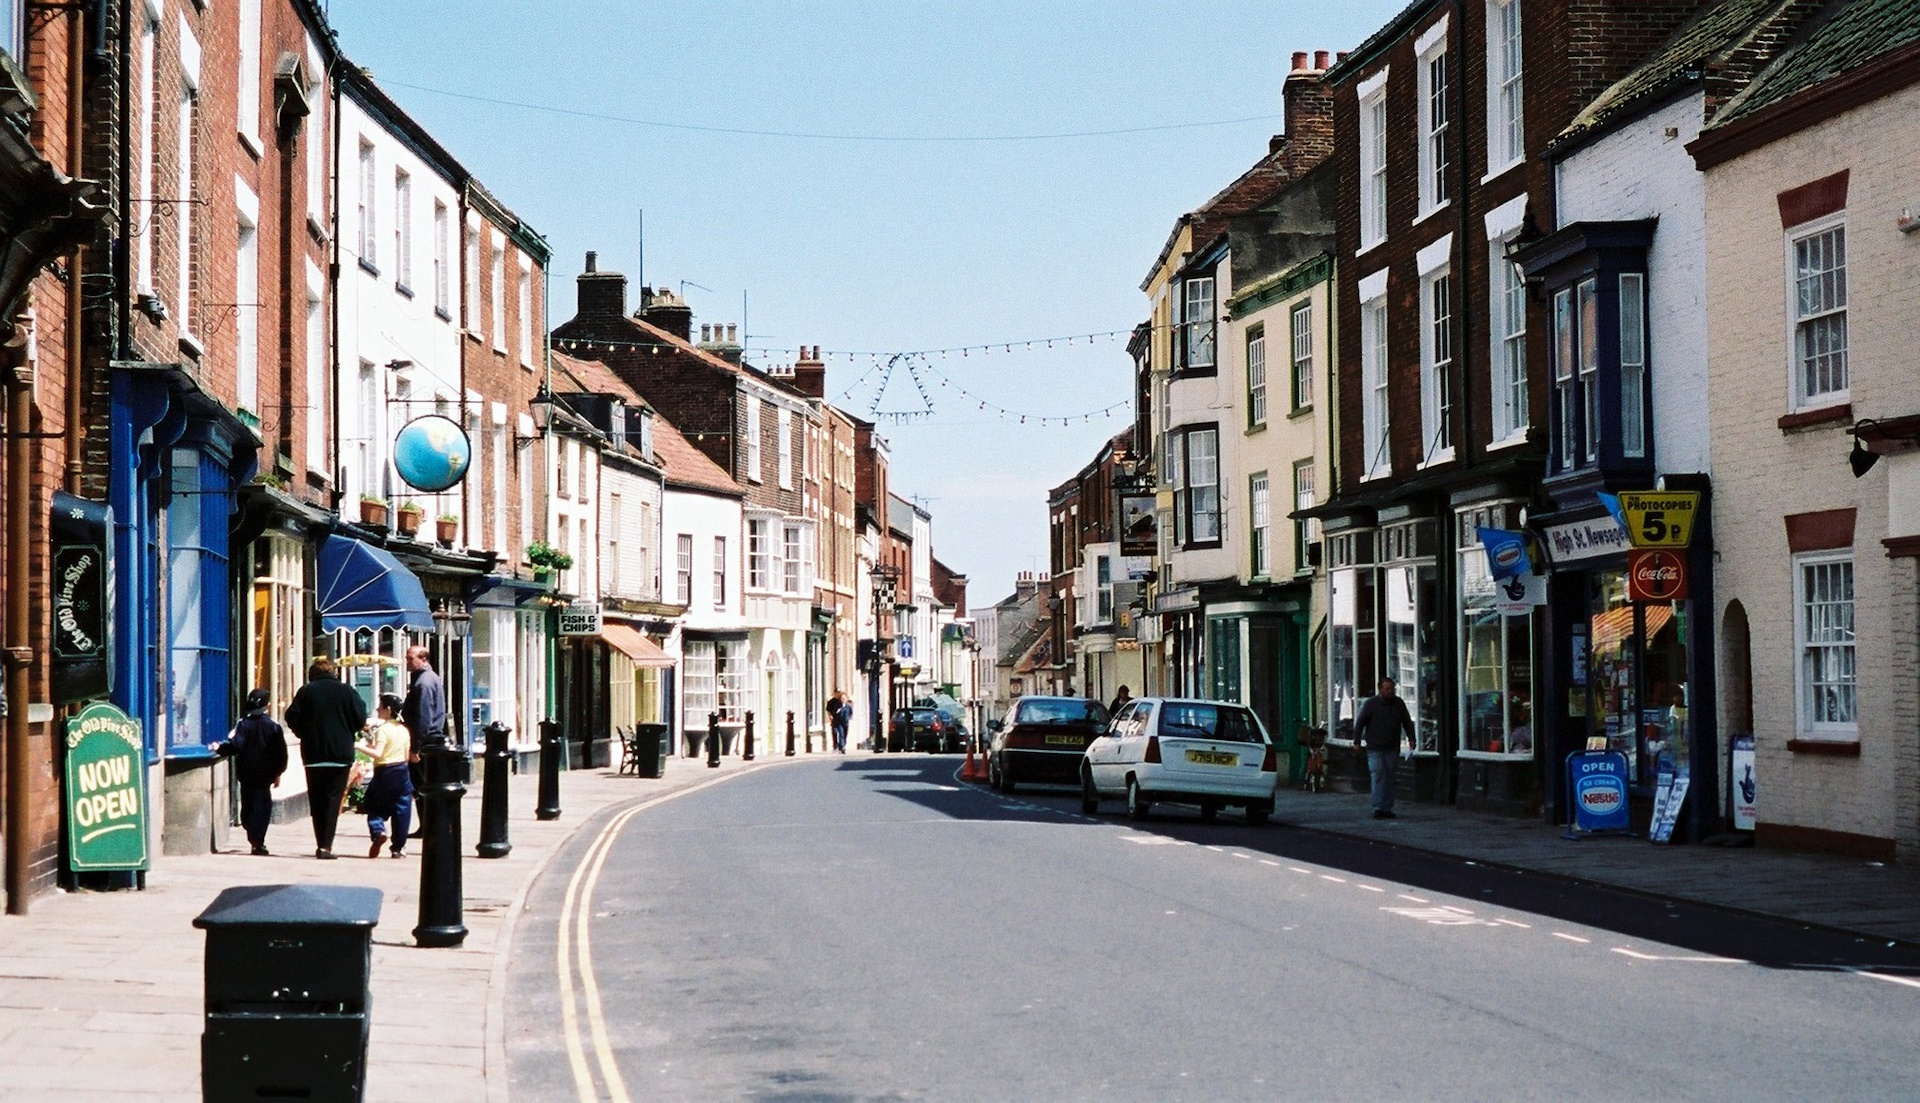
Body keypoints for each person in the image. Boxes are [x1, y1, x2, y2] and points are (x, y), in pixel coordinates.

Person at [284, 656, 367, 859]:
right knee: (333, 799)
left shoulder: (306, 691)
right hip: (340, 753)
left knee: (317, 799)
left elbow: (290, 716)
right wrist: (349, 730)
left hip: (314, 753)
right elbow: (360, 718)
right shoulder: (347, 691)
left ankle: (320, 840)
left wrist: (303, 732)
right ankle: (326, 846)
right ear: (333, 673)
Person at [216, 688, 288, 856]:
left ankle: (252, 833)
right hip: (265, 775)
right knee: (262, 807)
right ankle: (258, 840)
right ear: (267, 706)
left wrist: (220, 749)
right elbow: (281, 753)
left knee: (248, 805)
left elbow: (236, 745)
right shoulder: (274, 727)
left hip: (247, 773)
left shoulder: (243, 725)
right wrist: (278, 772)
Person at [358, 694, 414, 859]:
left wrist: (359, 746)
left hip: (385, 771)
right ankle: (398, 847)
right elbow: (406, 754)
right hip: (402, 770)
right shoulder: (404, 730)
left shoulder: (383, 730)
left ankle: (378, 831)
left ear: (388, 710)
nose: (377, 709)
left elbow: (378, 753)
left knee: (374, 805)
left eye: (380, 706)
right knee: (402, 808)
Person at [1354, 677, 1416, 819]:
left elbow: (1407, 721)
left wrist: (1411, 738)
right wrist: (1356, 742)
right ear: (1380, 689)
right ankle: (1377, 807)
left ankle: (1387, 808)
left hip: (1392, 747)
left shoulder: (1398, 703)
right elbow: (1360, 722)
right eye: (1387, 688)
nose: (1390, 691)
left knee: (1390, 777)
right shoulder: (1371, 704)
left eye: (1392, 688)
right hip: (1375, 747)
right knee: (1378, 775)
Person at [401, 645, 446, 836]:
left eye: (411, 658)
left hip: (425, 741)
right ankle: (427, 825)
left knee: (421, 786)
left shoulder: (424, 683)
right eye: (407, 658)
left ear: (424, 659)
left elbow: (423, 717)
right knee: (424, 785)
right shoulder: (428, 678)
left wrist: (415, 748)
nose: (408, 661)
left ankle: (427, 826)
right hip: (430, 739)